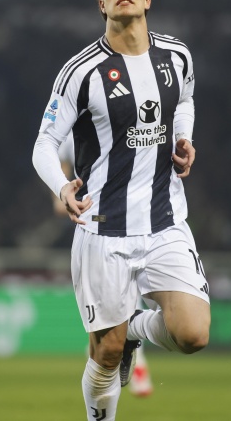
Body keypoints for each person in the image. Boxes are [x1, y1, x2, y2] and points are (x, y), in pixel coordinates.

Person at [33, 0, 209, 420]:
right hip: (103, 228)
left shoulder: (177, 56)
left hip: (165, 220)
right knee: (106, 352)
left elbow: (185, 99)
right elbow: (44, 144)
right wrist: (62, 188)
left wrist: (184, 138)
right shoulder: (81, 72)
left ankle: (133, 328)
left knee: (193, 334)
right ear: (102, 3)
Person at [53, 135, 154, 398]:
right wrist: (65, 196)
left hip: (132, 221)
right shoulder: (69, 134)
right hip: (94, 225)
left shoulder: (116, 124)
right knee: (108, 308)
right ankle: (127, 359)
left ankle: (135, 362)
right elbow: (61, 179)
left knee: (129, 297)